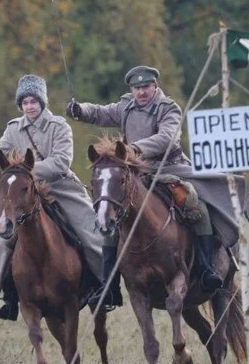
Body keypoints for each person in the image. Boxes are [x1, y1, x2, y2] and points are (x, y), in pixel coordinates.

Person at [0, 74, 119, 321]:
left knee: (91, 232)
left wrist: (26, 171)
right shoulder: (14, 128)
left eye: (33, 101)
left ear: (42, 102)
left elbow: (61, 162)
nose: (29, 106)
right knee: (2, 238)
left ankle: (104, 288)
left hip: (59, 188)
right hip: (24, 192)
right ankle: (9, 297)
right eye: (25, 102)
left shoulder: (59, 126)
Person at [66, 66, 224, 300]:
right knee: (111, 217)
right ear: (131, 89)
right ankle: (109, 287)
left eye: (146, 87)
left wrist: (134, 149)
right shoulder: (125, 106)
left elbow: (166, 138)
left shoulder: (168, 108)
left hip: (168, 168)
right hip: (135, 173)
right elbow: (100, 113)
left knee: (195, 204)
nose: (141, 92)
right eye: (136, 88)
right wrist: (80, 110)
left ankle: (207, 269)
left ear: (155, 86)